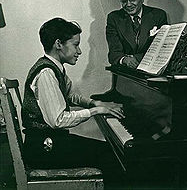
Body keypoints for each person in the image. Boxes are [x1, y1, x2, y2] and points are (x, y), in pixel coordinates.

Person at [21, 17, 125, 187]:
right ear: (58, 44)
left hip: (50, 143)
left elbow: (70, 95)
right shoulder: (46, 72)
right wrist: (96, 111)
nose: (80, 51)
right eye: (75, 45)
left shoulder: (54, 67)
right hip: (44, 149)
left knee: (110, 151)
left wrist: (94, 103)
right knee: (110, 156)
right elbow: (58, 120)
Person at [106, 0, 168, 69]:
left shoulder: (158, 15)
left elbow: (161, 50)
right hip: (126, 74)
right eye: (124, 1)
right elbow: (114, 53)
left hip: (152, 72)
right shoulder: (114, 18)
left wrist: (136, 58)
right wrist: (124, 60)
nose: (128, 4)